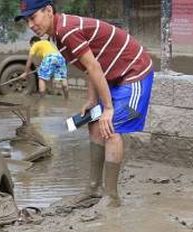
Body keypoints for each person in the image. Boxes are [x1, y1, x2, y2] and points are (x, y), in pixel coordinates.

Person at [15, 0, 154, 208]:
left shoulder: (66, 30)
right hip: (112, 78)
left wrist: (107, 108)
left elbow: (94, 66)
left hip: (134, 74)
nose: (31, 25)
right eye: (27, 21)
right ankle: (94, 188)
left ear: (49, 11)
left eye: (33, 17)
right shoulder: (57, 36)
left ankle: (112, 197)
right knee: (93, 122)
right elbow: (91, 67)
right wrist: (92, 100)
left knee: (111, 127)